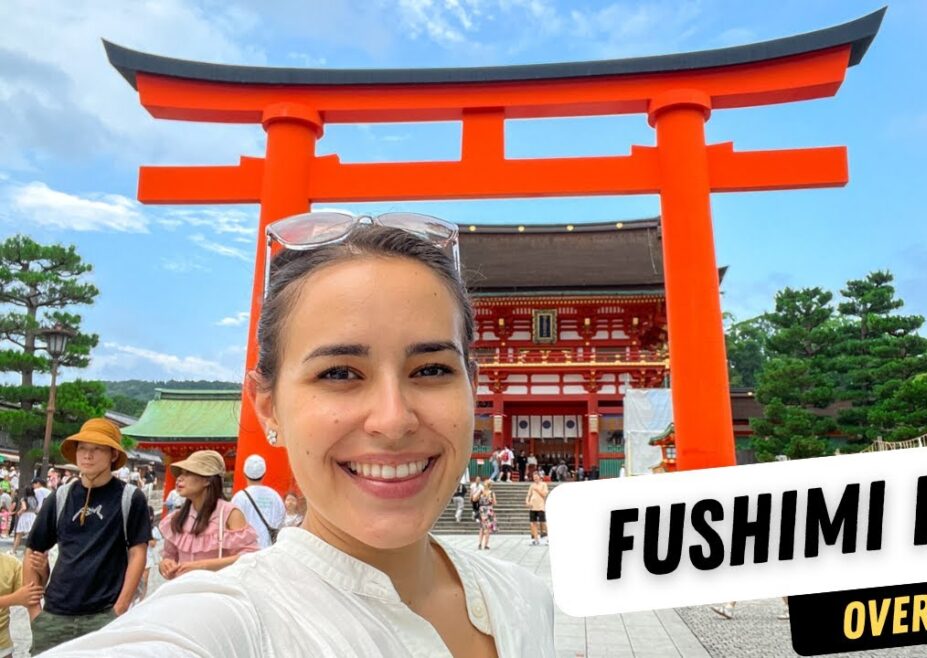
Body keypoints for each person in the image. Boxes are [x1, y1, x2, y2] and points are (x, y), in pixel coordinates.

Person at [39, 215, 554, 655]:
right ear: (269, 407)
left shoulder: (526, 598)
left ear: (473, 386)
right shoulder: (238, 624)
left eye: (432, 370)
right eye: (338, 373)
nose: (393, 419)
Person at [23, 418, 152, 653]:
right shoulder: (60, 496)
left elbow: (137, 554)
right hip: (55, 612)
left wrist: (120, 608)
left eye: (97, 449)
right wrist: (35, 613)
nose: (87, 455)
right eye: (82, 448)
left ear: (113, 454)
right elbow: (33, 550)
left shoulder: (130, 498)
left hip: (103, 613)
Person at [159, 450, 259, 579]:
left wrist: (203, 566)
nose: (179, 478)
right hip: (186, 591)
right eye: (180, 474)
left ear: (207, 480)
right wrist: (165, 565)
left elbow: (250, 558)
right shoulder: (176, 518)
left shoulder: (229, 514)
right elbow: (168, 556)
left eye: (188, 473)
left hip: (218, 592)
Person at [229, 454, 286, 548]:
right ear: (264, 474)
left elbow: (232, 525)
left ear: (244, 474)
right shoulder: (274, 495)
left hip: (247, 551)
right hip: (270, 550)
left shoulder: (239, 497)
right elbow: (282, 520)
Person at [11, 486, 38, 554]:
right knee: (31, 535)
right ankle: (27, 551)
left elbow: (24, 508)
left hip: (25, 516)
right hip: (33, 515)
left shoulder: (24, 499)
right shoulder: (35, 499)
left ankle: (14, 551)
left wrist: (18, 513)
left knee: (19, 534)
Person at [526, 472, 549, 546]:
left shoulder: (544, 484)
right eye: (534, 477)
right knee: (533, 523)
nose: (535, 478)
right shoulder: (532, 485)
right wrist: (527, 501)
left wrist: (537, 490)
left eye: (536, 477)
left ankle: (548, 538)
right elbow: (528, 495)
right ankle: (536, 539)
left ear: (539, 477)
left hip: (540, 506)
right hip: (532, 507)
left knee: (543, 522)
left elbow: (544, 494)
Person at [477, 480, 497, 551]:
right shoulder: (490, 493)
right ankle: (485, 545)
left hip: (483, 510)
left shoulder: (482, 492)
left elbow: (475, 499)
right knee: (487, 528)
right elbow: (495, 503)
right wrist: (490, 500)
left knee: (482, 528)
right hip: (488, 511)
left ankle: (480, 544)